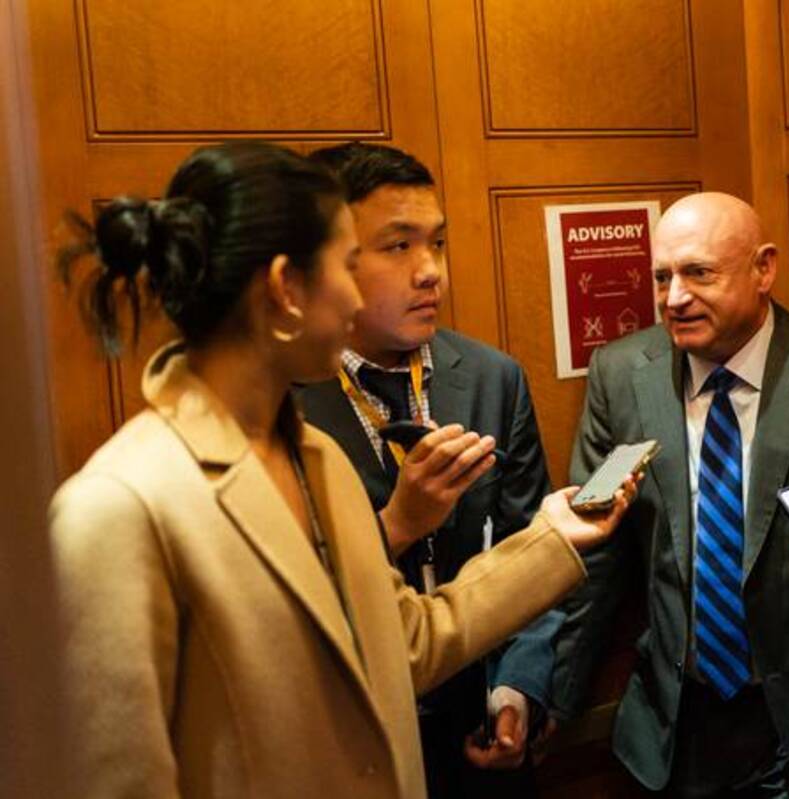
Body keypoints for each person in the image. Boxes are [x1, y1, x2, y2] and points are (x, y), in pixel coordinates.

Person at [48, 141, 635, 798]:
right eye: (351, 263)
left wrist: (552, 537)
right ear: (285, 288)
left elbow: (403, 641)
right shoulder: (114, 506)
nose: (364, 296)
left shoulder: (313, 458)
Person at [552, 192, 789, 798]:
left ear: (763, 269)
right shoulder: (622, 372)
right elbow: (595, 554)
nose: (674, 298)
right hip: (674, 730)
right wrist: (549, 698)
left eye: (699, 274)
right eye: (662, 276)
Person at [294, 142, 557, 796]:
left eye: (436, 243)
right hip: (349, 745)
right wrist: (395, 525)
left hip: (481, 735)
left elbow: (530, 549)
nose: (430, 270)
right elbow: (280, 601)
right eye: (398, 246)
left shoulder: (492, 378)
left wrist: (519, 688)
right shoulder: (280, 399)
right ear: (328, 257)